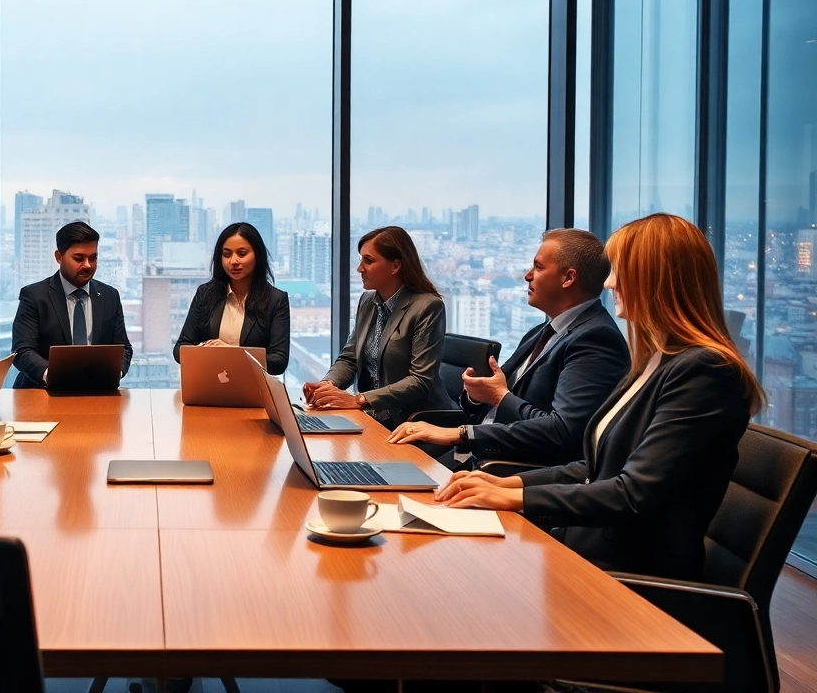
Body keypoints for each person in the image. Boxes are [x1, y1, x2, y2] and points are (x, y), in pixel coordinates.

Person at [436, 213, 764, 579]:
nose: (608, 283)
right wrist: (507, 483)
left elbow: (632, 494)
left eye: (619, 270)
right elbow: (595, 469)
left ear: (654, 278)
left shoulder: (704, 371)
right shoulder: (655, 361)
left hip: (627, 575)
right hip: (583, 546)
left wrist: (518, 498)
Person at [387, 229, 630, 469]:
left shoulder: (596, 338)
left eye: (538, 267)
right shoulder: (542, 331)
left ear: (568, 278)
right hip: (474, 455)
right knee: (386, 467)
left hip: (508, 469)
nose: (527, 275)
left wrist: (487, 410)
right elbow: (496, 398)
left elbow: (563, 432)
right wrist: (477, 395)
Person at [304, 226, 454, 428]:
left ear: (395, 266)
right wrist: (327, 386)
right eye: (361, 260)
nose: (359, 268)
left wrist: (359, 400)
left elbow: (420, 381)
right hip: (373, 416)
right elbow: (350, 358)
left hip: (417, 420)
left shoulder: (427, 306)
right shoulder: (368, 301)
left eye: (369, 261)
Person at [11, 221, 133, 388]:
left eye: (93, 257)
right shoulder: (34, 296)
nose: (88, 265)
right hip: (42, 392)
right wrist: (52, 376)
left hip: (98, 392)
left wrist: (114, 373)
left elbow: (124, 348)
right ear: (59, 257)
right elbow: (22, 351)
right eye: (79, 258)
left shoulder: (109, 296)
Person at [172, 222, 291, 375]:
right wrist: (206, 350)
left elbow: (278, 361)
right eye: (227, 254)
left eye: (242, 254)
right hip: (209, 386)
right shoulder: (205, 294)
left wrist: (232, 352)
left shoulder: (276, 300)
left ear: (257, 255)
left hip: (253, 390)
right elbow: (180, 350)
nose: (233, 261)